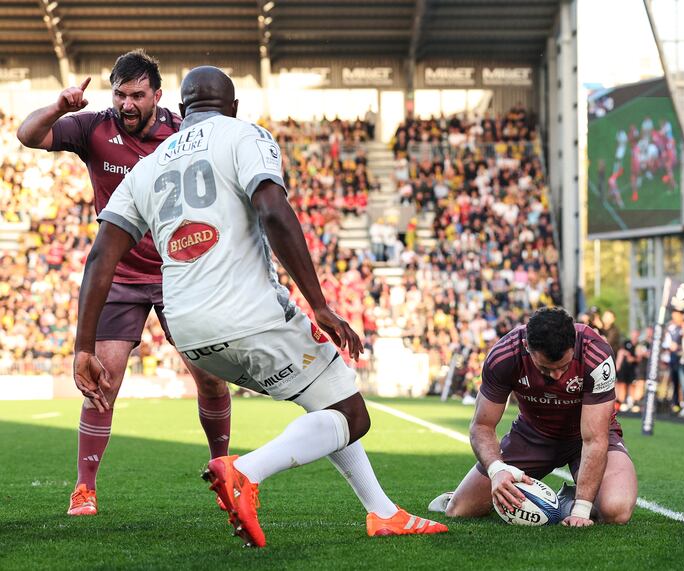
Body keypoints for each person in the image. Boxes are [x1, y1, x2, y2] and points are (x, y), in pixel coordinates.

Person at [71, 66, 447, 548]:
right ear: (232, 108)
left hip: (186, 330)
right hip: (251, 315)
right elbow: (272, 210)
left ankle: (383, 512)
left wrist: (85, 346)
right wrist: (320, 304)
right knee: (354, 416)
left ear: (182, 112)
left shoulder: (148, 164)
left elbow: (101, 255)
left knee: (328, 396)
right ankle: (245, 471)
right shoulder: (245, 135)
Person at [16, 50, 233, 517]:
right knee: (103, 381)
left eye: (137, 94)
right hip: (120, 274)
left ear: (158, 95)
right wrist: (59, 106)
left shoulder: (183, 132)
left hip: (179, 271)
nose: (127, 103)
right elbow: (27, 135)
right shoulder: (92, 126)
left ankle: (224, 470)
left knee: (212, 380)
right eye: (120, 93)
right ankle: (85, 488)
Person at [428, 307, 637, 526]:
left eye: (564, 367)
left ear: (573, 344)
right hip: (533, 435)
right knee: (460, 509)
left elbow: (594, 439)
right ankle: (463, 493)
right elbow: (481, 426)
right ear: (527, 347)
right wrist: (497, 470)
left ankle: (571, 500)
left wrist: (582, 510)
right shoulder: (505, 355)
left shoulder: (596, 354)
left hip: (587, 435)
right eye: (546, 369)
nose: (557, 376)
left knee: (616, 510)